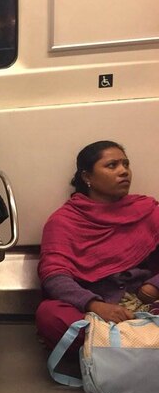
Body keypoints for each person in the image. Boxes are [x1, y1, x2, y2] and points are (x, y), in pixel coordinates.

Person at [36, 141, 159, 351]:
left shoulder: (147, 209)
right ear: (87, 177)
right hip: (94, 311)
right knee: (50, 315)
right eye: (112, 166)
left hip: (147, 303)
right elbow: (54, 276)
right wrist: (94, 305)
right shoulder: (64, 221)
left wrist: (155, 285)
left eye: (126, 164)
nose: (124, 172)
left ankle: (113, 348)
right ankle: (135, 345)